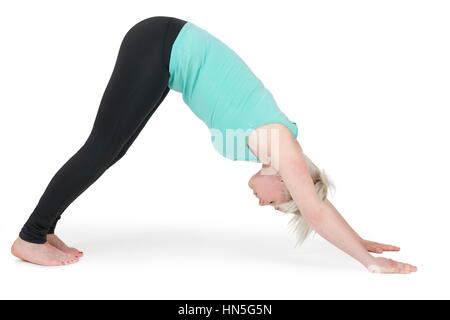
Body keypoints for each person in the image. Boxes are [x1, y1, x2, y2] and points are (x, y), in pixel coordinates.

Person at [11, 16, 417, 273]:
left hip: (165, 53)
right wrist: (369, 262)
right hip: (162, 44)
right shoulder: (280, 143)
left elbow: (315, 198)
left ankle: (43, 230)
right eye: (277, 203)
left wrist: (359, 237)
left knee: (111, 150)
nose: (263, 204)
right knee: (101, 147)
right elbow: (314, 208)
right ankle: (30, 237)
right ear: (286, 182)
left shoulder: (270, 146)